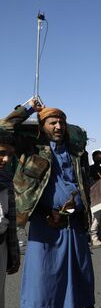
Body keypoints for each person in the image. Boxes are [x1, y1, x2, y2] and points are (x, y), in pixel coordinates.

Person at [0, 99, 95, 308]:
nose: (58, 126)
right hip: (45, 224)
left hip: (74, 225)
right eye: (52, 122)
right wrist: (28, 109)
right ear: (42, 125)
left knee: (79, 280)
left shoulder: (76, 152)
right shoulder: (31, 147)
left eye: (61, 122)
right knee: (42, 282)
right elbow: (2, 128)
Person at [0, 129, 20, 308]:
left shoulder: (6, 178)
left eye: (10, 154)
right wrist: (28, 109)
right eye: (1, 153)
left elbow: (10, 221)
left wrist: (13, 255)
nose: (6, 159)